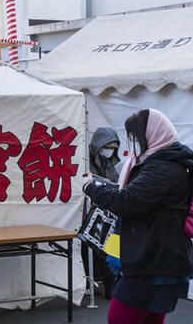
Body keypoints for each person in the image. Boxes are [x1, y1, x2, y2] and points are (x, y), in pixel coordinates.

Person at [83, 109, 193, 324]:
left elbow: (127, 202)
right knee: (150, 320)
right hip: (158, 257)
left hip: (152, 260)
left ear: (153, 135)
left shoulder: (162, 167)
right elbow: (135, 198)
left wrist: (91, 188)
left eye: (136, 137)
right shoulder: (166, 162)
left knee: (119, 318)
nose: (134, 142)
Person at [84, 127, 122, 298]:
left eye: (113, 147)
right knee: (96, 247)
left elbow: (117, 183)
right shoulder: (86, 161)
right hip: (89, 212)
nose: (110, 151)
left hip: (108, 211)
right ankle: (105, 283)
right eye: (107, 147)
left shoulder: (109, 165)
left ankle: (110, 282)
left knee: (107, 248)